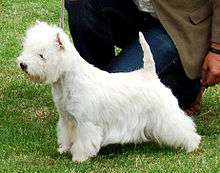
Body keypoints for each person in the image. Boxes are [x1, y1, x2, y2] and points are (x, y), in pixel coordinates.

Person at [64, 0, 220, 115]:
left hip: (180, 25)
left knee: (121, 95)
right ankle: (95, 94)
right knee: (81, 4)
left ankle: (188, 87)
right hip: (136, 11)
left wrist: (217, 49)